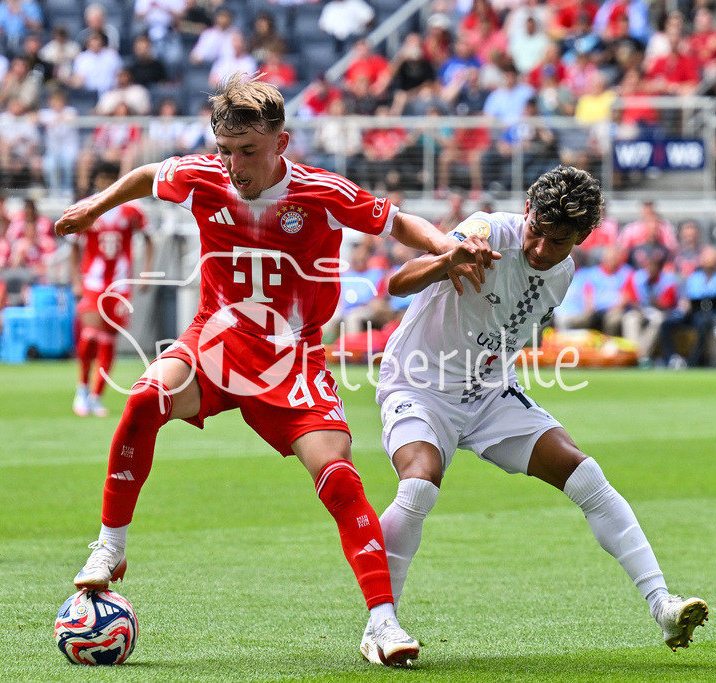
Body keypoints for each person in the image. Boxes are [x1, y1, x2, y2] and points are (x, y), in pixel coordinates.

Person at [54, 73, 472, 667]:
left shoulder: (321, 191)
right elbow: (149, 176)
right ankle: (110, 546)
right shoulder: (202, 175)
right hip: (215, 342)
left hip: (292, 358)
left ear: (281, 141)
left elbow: (398, 222)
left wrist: (446, 246)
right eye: (225, 150)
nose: (232, 166)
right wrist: (96, 207)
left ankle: (382, 622)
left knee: (339, 476)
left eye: (247, 151)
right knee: (144, 398)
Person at [364, 166, 708, 662]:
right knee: (420, 481)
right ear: (526, 212)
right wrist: (449, 260)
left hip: (488, 393)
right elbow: (398, 282)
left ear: (583, 237)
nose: (541, 249)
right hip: (419, 384)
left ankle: (663, 606)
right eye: (537, 232)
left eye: (559, 241)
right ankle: (380, 623)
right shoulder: (485, 231)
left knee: (585, 474)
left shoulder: (563, 273)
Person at [70, 163, 154, 418]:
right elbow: (74, 244)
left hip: (120, 284)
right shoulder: (86, 207)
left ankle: (96, 396)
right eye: (102, 179)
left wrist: (146, 272)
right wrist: (75, 279)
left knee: (108, 340)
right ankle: (82, 388)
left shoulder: (131, 209)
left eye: (110, 179)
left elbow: (148, 240)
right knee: (90, 336)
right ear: (96, 181)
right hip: (94, 282)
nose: (106, 184)